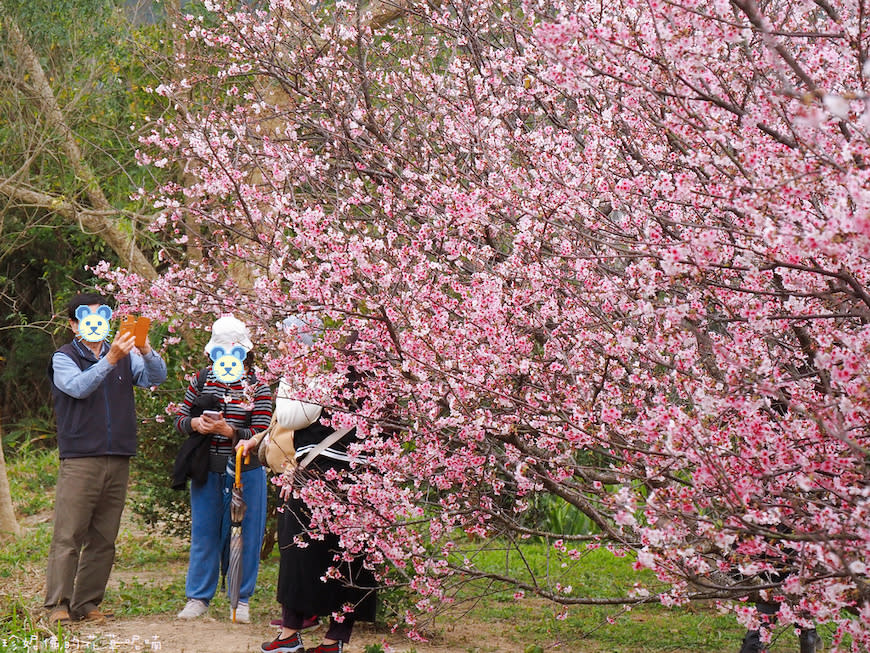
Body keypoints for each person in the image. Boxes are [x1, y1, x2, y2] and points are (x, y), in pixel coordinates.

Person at [240, 317, 377, 653]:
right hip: (362, 478)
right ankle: (335, 640)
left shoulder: (317, 372)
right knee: (348, 556)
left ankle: (289, 635)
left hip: (315, 475)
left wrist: (293, 371)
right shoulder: (382, 384)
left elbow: (290, 417)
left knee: (298, 552)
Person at [45, 293, 167, 625]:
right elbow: (78, 387)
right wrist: (110, 359)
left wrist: (145, 350)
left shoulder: (126, 356)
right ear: (74, 324)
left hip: (119, 455)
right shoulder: (64, 357)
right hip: (81, 457)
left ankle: (86, 603)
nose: (96, 323)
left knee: (104, 537)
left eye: (103, 316)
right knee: (69, 534)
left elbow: (156, 378)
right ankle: (57, 604)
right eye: (88, 317)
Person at [175, 314, 272, 623]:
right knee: (203, 533)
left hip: (248, 470)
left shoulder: (258, 386)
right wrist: (196, 424)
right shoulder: (202, 379)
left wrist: (229, 431)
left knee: (246, 535)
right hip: (207, 470)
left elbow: (263, 432)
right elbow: (180, 419)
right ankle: (198, 598)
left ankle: (240, 599)